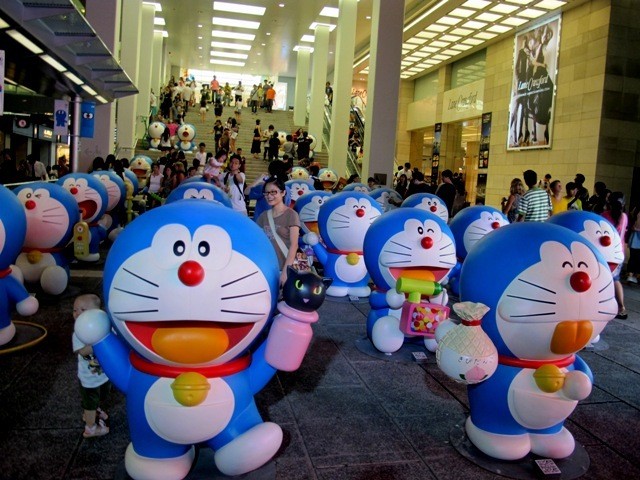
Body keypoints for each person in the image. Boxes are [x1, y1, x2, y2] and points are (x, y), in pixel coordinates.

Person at [72, 294, 110, 438]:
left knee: (103, 395)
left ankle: (94, 410)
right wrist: (98, 342)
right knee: (90, 403)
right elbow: (81, 351)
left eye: (82, 309)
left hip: (103, 374)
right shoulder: (78, 332)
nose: (77, 313)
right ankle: (91, 428)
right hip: (89, 379)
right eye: (75, 310)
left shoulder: (103, 327)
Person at [256, 176, 301, 286]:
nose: (269, 196)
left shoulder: (291, 215)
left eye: (273, 192)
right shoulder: (263, 216)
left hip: (285, 267)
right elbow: (258, 242)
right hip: (268, 267)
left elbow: (294, 245)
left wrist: (286, 271)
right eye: (266, 193)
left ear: (283, 193)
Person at [602, 192, 628, 319]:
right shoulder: (624, 217)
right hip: (619, 253)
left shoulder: (604, 216)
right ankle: (621, 307)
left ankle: (604, 305)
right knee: (616, 280)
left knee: (603, 279)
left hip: (607, 254)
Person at [626, 204, 640, 285]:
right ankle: (634, 276)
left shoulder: (635, 209)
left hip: (634, 236)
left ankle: (630, 275)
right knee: (638, 258)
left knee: (633, 257)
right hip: (637, 237)